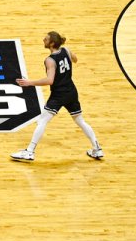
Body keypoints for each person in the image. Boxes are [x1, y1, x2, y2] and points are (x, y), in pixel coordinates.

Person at [11, 31, 104, 162]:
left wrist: (29, 83)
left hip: (59, 94)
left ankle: (29, 152)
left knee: (42, 121)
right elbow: (75, 59)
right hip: (71, 91)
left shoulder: (50, 60)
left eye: (46, 39)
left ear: (52, 43)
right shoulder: (66, 50)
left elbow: (50, 80)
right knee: (80, 120)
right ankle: (97, 148)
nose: (43, 40)